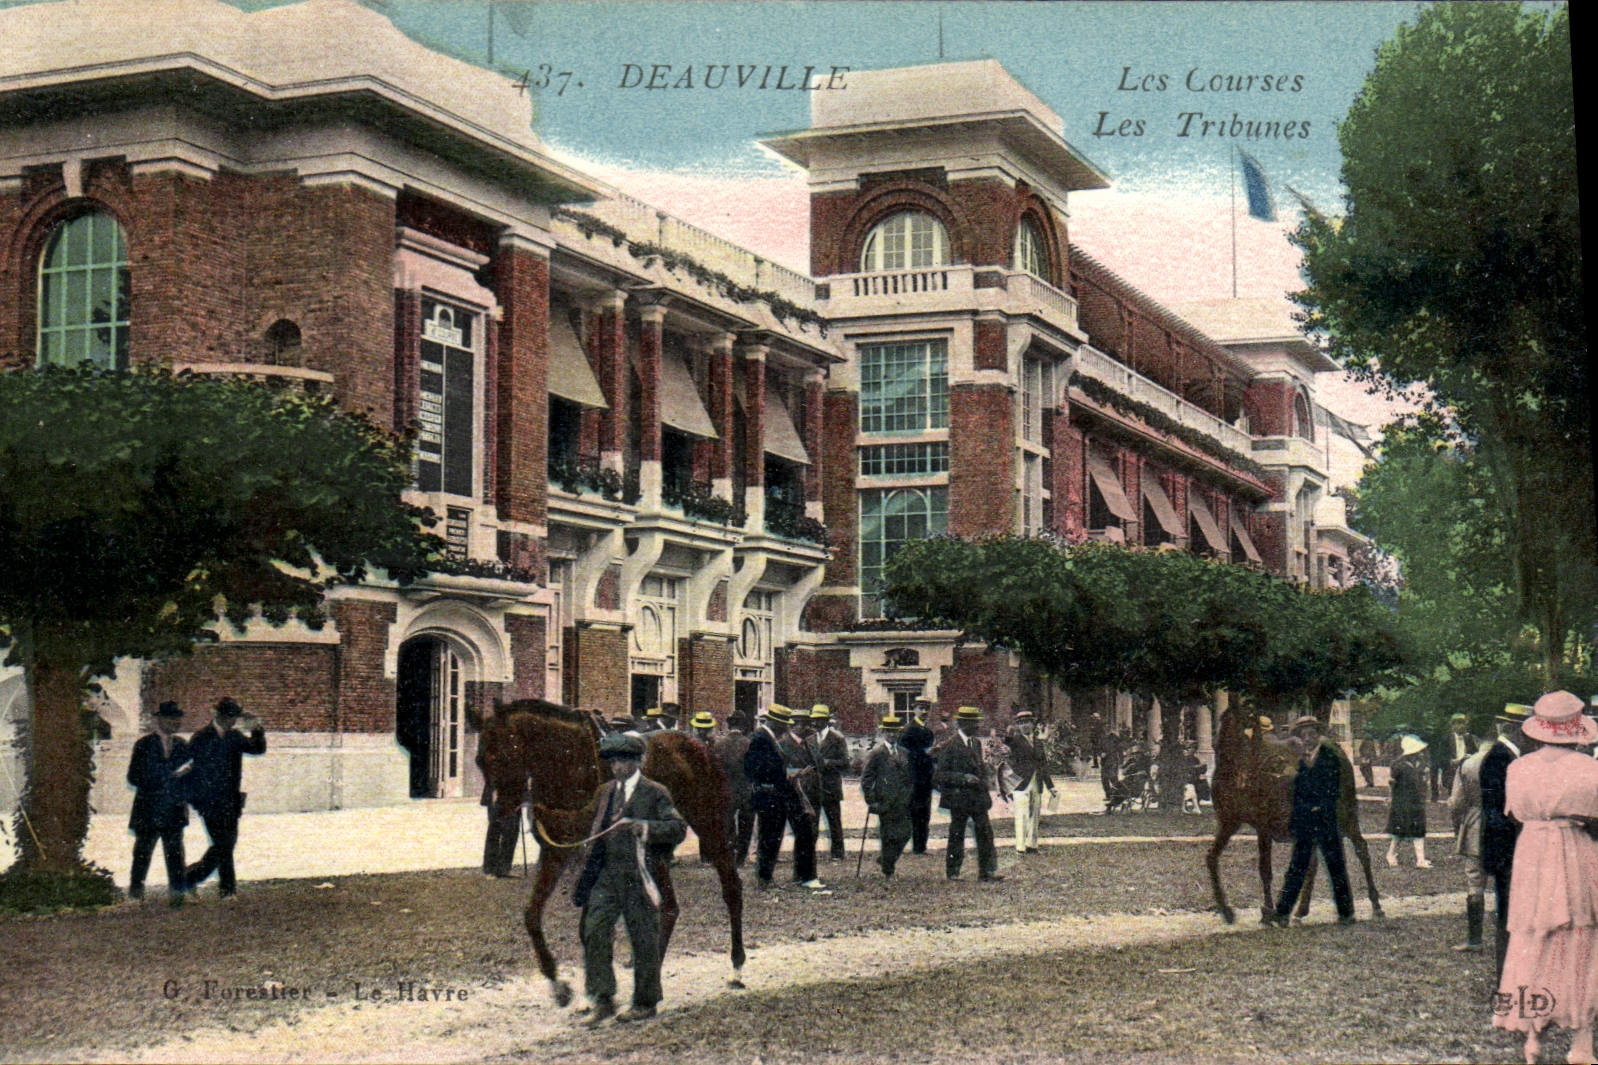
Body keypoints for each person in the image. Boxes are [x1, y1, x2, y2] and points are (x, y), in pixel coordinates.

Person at [1491, 691, 1598, 1065]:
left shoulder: (1519, 768)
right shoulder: (1590, 770)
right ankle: (1582, 1041)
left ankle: (1533, 1037)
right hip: (1573, 848)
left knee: (1534, 935)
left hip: (1533, 852)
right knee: (1579, 935)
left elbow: (1514, 815)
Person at [572, 732, 687, 1027]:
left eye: (623, 761)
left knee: (643, 937)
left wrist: (643, 827)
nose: (616, 767)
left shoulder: (655, 792)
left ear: (637, 762)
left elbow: (677, 828)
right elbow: (588, 823)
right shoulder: (606, 792)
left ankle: (645, 1002)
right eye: (612, 762)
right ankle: (603, 998)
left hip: (639, 875)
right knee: (594, 930)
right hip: (606, 877)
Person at [1267, 716, 1355, 927]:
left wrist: (1318, 804)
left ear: (1318, 735)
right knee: (1296, 869)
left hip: (1326, 820)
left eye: (1311, 734)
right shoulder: (1299, 761)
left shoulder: (1329, 757)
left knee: (1336, 867)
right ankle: (1282, 914)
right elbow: (1294, 791)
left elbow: (1334, 789)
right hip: (1305, 823)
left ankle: (1346, 914)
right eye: (1303, 735)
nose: (1307, 738)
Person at [183, 697, 267, 898]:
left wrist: (256, 728)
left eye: (235, 718)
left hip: (230, 801)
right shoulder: (201, 737)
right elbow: (191, 769)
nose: (232, 722)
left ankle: (189, 878)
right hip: (209, 802)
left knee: (226, 844)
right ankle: (226, 890)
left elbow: (257, 749)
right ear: (218, 715)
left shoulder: (235, 737)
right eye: (229, 717)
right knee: (223, 844)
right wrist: (194, 798)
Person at [744, 705, 823, 890]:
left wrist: (786, 775)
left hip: (783, 792)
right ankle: (765, 879)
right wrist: (783, 776)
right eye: (782, 723)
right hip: (770, 795)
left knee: (801, 830)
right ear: (772, 721)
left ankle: (804, 876)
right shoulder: (760, 738)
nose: (785, 727)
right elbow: (753, 768)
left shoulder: (771, 737)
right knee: (770, 838)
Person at [1481, 702, 1531, 980]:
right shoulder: (1500, 758)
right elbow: (1496, 811)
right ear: (1514, 729)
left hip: (1506, 848)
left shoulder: (1505, 756)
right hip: (1506, 849)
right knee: (1507, 914)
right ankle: (1506, 977)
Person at [127, 701, 193, 906]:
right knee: (142, 853)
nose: (175, 723)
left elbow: (191, 775)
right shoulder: (144, 744)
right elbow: (133, 777)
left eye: (177, 719)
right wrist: (168, 777)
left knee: (175, 854)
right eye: (170, 719)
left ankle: (177, 895)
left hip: (173, 808)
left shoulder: (182, 745)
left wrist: (185, 777)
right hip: (149, 808)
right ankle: (135, 894)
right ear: (159, 720)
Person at [934, 705, 1003, 882]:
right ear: (963, 724)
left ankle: (987, 871)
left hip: (977, 798)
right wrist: (963, 777)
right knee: (957, 834)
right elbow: (939, 775)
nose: (977, 727)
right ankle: (953, 871)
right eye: (974, 723)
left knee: (985, 833)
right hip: (958, 798)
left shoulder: (976, 743)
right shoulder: (949, 746)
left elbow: (979, 770)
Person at [1448, 731, 1490, 952]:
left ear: (1474, 738)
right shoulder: (1514, 760)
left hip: (1476, 824)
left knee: (1475, 881)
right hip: (1507, 826)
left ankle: (1475, 940)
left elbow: (1456, 803)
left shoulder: (1468, 765)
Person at [860, 713, 914, 878]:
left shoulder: (904, 752)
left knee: (906, 832)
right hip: (885, 801)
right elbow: (866, 779)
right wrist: (871, 800)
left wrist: (910, 794)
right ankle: (888, 869)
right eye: (889, 731)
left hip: (903, 801)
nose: (892, 734)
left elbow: (909, 777)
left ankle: (885, 859)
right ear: (883, 732)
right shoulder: (877, 753)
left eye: (895, 731)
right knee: (888, 835)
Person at [1004, 709, 1056, 853]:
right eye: (1021, 724)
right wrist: (1008, 733)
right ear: (1018, 726)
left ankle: (1032, 845)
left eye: (1027, 723)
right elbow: (1006, 743)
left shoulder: (1039, 743)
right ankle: (1020, 847)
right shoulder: (1015, 741)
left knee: (1035, 813)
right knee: (1021, 814)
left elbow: (1043, 765)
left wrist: (1050, 786)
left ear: (1033, 724)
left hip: (1037, 782)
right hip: (1020, 783)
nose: (1025, 726)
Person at [807, 705, 849, 861]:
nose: (815, 723)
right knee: (812, 822)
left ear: (826, 721)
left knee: (834, 822)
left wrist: (827, 763)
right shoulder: (810, 739)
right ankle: (810, 853)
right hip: (814, 787)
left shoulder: (837, 738)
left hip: (831, 787)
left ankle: (838, 854)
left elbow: (845, 763)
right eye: (814, 720)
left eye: (818, 720)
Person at [478, 739, 523, 879]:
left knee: (512, 830)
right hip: (496, 792)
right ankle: (490, 869)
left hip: (514, 794)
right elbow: (483, 761)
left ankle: (504, 868)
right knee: (495, 830)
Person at [712, 716, 754, 866]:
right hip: (746, 790)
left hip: (726, 789)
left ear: (728, 726)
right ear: (743, 726)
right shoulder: (749, 743)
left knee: (727, 822)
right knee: (746, 824)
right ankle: (741, 857)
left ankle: (730, 852)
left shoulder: (719, 744)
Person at [1386, 734, 1431, 867]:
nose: (1419, 753)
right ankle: (1391, 853)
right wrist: (1391, 797)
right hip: (1403, 801)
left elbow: (1423, 782)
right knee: (1399, 830)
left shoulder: (1419, 764)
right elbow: (1392, 784)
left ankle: (1420, 859)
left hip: (1416, 801)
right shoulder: (1398, 765)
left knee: (1418, 829)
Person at [901, 701, 937, 855]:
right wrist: (925, 753)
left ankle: (921, 846)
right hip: (913, 777)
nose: (924, 711)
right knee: (913, 812)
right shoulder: (908, 730)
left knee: (924, 812)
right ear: (914, 709)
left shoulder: (928, 731)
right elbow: (904, 753)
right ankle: (913, 846)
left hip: (925, 777)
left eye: (926, 709)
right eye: (921, 708)